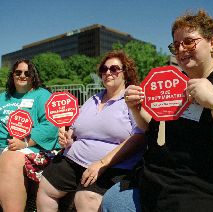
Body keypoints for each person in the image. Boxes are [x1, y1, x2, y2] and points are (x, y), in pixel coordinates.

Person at [102, 10, 213, 212]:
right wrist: (136, 107)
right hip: (155, 185)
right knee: (111, 200)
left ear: (212, 43)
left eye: (189, 42)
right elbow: (152, 127)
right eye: (176, 45)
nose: (181, 49)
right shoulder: (173, 85)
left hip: (210, 193)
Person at [36, 50, 145, 212]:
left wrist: (102, 163)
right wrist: (68, 138)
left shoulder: (131, 99)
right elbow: (76, 128)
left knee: (86, 199)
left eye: (114, 69)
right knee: (45, 188)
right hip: (72, 159)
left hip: (111, 166)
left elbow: (140, 136)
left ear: (125, 73)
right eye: (104, 69)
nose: (108, 72)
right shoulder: (92, 99)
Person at [0, 59, 59, 212]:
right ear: (12, 75)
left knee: (8, 159)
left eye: (27, 73)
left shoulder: (43, 95)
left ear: (33, 75)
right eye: (18, 72)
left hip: (30, 145)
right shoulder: (2, 98)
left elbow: (51, 125)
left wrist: (25, 142)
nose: (22, 76)